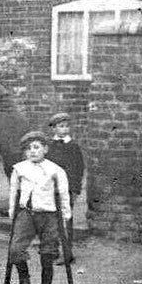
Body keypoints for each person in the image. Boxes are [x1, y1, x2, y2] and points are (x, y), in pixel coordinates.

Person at [7, 130, 72, 284]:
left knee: (47, 254)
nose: (32, 151)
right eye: (28, 149)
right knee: (15, 249)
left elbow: (64, 194)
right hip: (27, 214)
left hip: (49, 216)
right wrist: (13, 212)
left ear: (45, 149)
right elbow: (13, 193)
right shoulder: (19, 169)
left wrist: (65, 217)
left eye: (36, 147)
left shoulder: (55, 170)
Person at [44, 112, 86, 262]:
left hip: (67, 188)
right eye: (61, 126)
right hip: (51, 189)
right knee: (51, 219)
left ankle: (67, 252)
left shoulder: (73, 146)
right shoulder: (49, 146)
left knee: (65, 218)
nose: (65, 129)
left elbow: (78, 169)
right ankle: (53, 249)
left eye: (67, 126)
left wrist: (75, 189)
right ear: (54, 129)